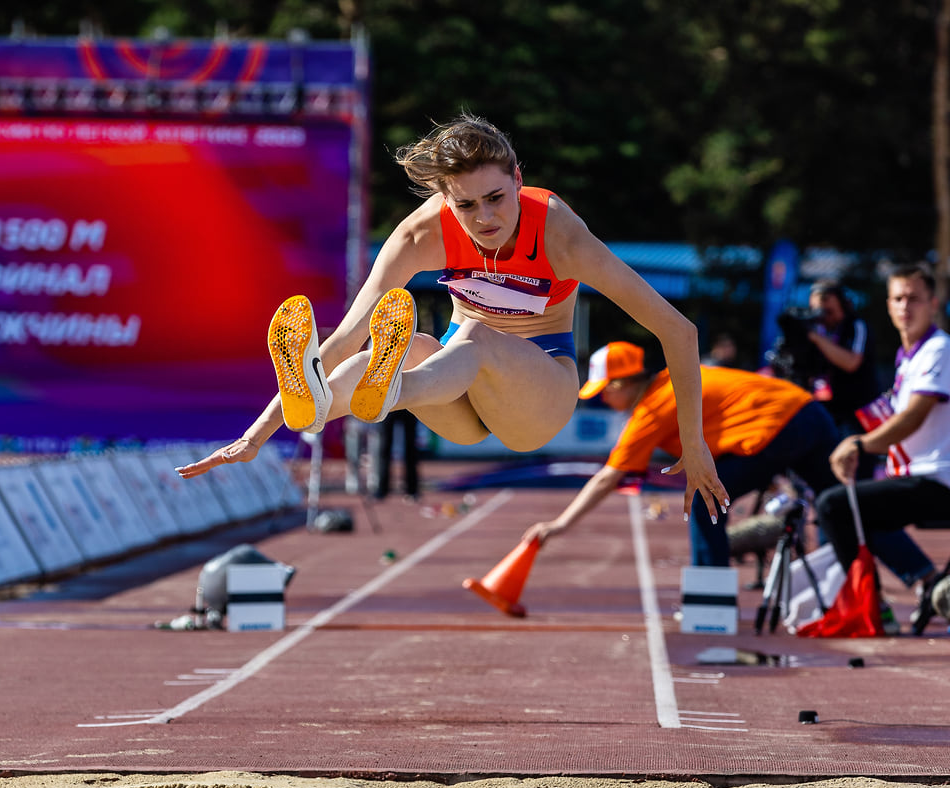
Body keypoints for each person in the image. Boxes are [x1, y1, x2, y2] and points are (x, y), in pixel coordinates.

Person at [177, 114, 728, 519]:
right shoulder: (422, 233)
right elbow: (344, 335)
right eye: (465, 205)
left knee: (471, 336)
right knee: (402, 343)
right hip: (453, 393)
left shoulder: (559, 234)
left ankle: (383, 390)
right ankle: (321, 407)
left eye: (495, 198)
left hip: (539, 392)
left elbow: (678, 330)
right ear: (444, 197)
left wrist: (694, 443)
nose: (485, 218)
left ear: (518, 177)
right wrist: (256, 434)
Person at [522, 342, 840, 566]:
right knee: (835, 507)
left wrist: (559, 525)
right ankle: (847, 582)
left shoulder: (655, 406)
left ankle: (711, 598)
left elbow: (609, 477)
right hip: (807, 412)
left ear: (620, 384)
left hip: (783, 426)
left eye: (604, 390)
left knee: (706, 498)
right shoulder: (673, 382)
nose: (602, 399)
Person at [814, 263, 950, 636]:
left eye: (914, 298)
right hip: (917, 478)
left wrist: (859, 444)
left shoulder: (940, 349)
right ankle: (924, 582)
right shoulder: (909, 356)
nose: (905, 306)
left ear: (933, 303)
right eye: (898, 298)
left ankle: (872, 606)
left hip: (944, 482)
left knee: (834, 505)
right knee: (852, 507)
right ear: (888, 306)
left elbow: (914, 417)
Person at [806, 281, 881, 481]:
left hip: (858, 414)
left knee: (858, 471)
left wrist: (817, 340)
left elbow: (851, 362)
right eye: (816, 308)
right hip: (829, 411)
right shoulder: (818, 330)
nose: (822, 315)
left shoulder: (856, 325)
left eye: (827, 307)